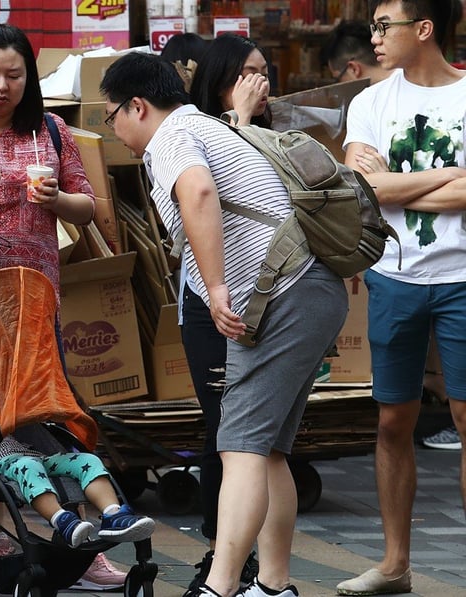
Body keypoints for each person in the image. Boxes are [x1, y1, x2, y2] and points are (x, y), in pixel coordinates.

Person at [101, 52, 347, 597]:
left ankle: (220, 586)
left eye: (112, 114)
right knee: (268, 449)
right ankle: (274, 585)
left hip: (284, 292)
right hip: (312, 290)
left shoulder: (171, 137)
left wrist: (215, 289)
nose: (112, 128)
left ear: (137, 106)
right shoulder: (208, 126)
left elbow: (199, 193)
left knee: (239, 446)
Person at [0, 22, 130, 591]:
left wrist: (57, 198)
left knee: (46, 409)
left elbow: (87, 208)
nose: (2, 86)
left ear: (30, 79)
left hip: (35, 302)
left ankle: (79, 538)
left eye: (14, 75)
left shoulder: (49, 131)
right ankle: (2, 533)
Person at [338, 0, 466, 594]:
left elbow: (385, 187)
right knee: (393, 419)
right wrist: (450, 180)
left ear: (424, 28)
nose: (375, 38)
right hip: (394, 275)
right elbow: (363, 188)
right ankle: (395, 565)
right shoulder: (370, 102)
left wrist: (395, 187)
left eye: (384, 27)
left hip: (463, 276)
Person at [178, 32, 273, 597]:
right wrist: (235, 117)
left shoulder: (275, 134)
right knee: (223, 429)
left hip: (273, 299)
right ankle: (222, 553)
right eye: (247, 74)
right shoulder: (195, 132)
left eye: (265, 72)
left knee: (261, 438)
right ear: (219, 82)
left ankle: (256, 563)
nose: (260, 84)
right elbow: (209, 193)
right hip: (209, 298)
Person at [0, 389, 155, 548]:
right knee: (29, 466)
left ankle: (113, 514)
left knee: (88, 461)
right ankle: (62, 520)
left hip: (33, 451)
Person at [321, 21, 391, 84]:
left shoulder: (367, 97)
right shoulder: (400, 74)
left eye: (338, 80)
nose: (338, 85)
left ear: (353, 69)